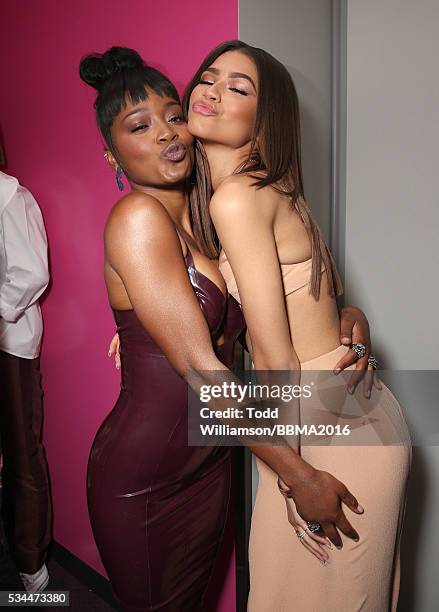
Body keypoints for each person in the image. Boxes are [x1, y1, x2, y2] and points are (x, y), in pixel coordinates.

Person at [82, 48, 376, 611]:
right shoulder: (137, 218)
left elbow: (274, 304)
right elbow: (201, 369)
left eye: (174, 115)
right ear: (111, 155)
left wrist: (346, 318)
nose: (168, 133)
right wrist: (297, 474)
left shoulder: (205, 220)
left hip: (210, 458)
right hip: (145, 475)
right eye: (140, 127)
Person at [183, 39, 412, 611]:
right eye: (209, 78)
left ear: (265, 120)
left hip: (322, 426)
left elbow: (276, 356)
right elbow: (324, 303)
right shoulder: (265, 188)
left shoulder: (237, 199)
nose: (211, 90)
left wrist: (294, 476)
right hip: (344, 410)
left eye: (238, 87)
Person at [0, 169, 51, 593]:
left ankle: (32, 570)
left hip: (10, 344)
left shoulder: (10, 195)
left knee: (21, 451)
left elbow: (32, 273)